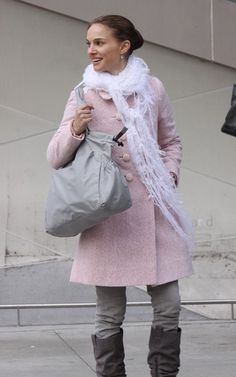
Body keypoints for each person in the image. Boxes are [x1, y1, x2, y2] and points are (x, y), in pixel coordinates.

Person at [47, 14, 193, 377]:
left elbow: (170, 141)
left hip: (155, 211)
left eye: (99, 42)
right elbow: (55, 156)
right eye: (89, 43)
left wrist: (169, 175)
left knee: (169, 306)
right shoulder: (83, 92)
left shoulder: (153, 89)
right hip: (109, 214)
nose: (91, 50)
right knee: (110, 314)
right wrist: (76, 128)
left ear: (123, 46)